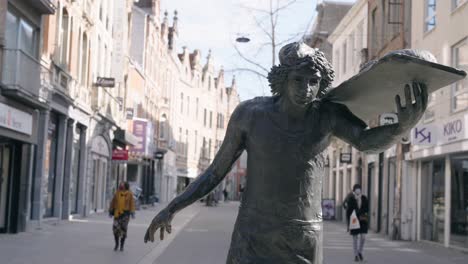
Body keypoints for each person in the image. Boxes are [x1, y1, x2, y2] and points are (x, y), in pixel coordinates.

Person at [144, 42, 428, 264]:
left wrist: (400, 127)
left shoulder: (328, 116)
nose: (306, 89)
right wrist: (172, 207)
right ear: (283, 78)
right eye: (298, 80)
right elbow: (215, 173)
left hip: (302, 238)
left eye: (313, 81)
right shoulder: (250, 115)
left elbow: (365, 142)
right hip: (253, 234)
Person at [109, 182, 135, 251]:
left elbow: (132, 203)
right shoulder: (117, 193)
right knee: (115, 229)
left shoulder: (129, 194)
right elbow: (113, 202)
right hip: (117, 214)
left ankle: (122, 245)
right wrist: (110, 210)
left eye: (122, 184)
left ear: (125, 186)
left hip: (125, 214)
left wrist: (132, 212)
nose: (121, 185)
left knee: (123, 229)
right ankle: (116, 244)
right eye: (120, 184)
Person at [345, 184, 369, 262]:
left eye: (359, 188)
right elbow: (348, 211)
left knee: (363, 237)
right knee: (355, 239)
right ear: (354, 190)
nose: (358, 190)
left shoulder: (364, 198)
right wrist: (348, 224)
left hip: (363, 221)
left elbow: (367, 209)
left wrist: (363, 213)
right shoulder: (351, 199)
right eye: (356, 189)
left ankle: (360, 251)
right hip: (354, 221)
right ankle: (356, 254)